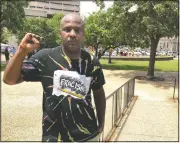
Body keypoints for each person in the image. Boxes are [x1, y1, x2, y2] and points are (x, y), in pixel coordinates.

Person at [3, 13, 106, 142]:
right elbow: (9, 79)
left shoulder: (92, 61)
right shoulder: (45, 58)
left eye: (77, 30)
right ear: (60, 33)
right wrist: (22, 50)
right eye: (67, 29)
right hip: (54, 137)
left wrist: (101, 121)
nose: (72, 34)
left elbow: (98, 91)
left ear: (83, 34)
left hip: (88, 135)